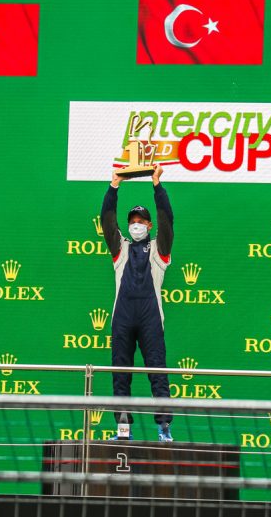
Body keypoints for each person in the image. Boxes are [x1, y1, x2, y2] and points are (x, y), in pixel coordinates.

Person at [100, 165, 174, 442]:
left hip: (150, 319)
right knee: (121, 376)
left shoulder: (159, 249)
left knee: (157, 373)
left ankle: (164, 429)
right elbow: (107, 220)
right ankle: (123, 431)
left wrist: (157, 186)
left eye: (142, 221)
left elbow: (167, 220)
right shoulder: (120, 249)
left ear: (149, 225)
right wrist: (114, 186)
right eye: (133, 221)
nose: (137, 224)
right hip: (122, 319)